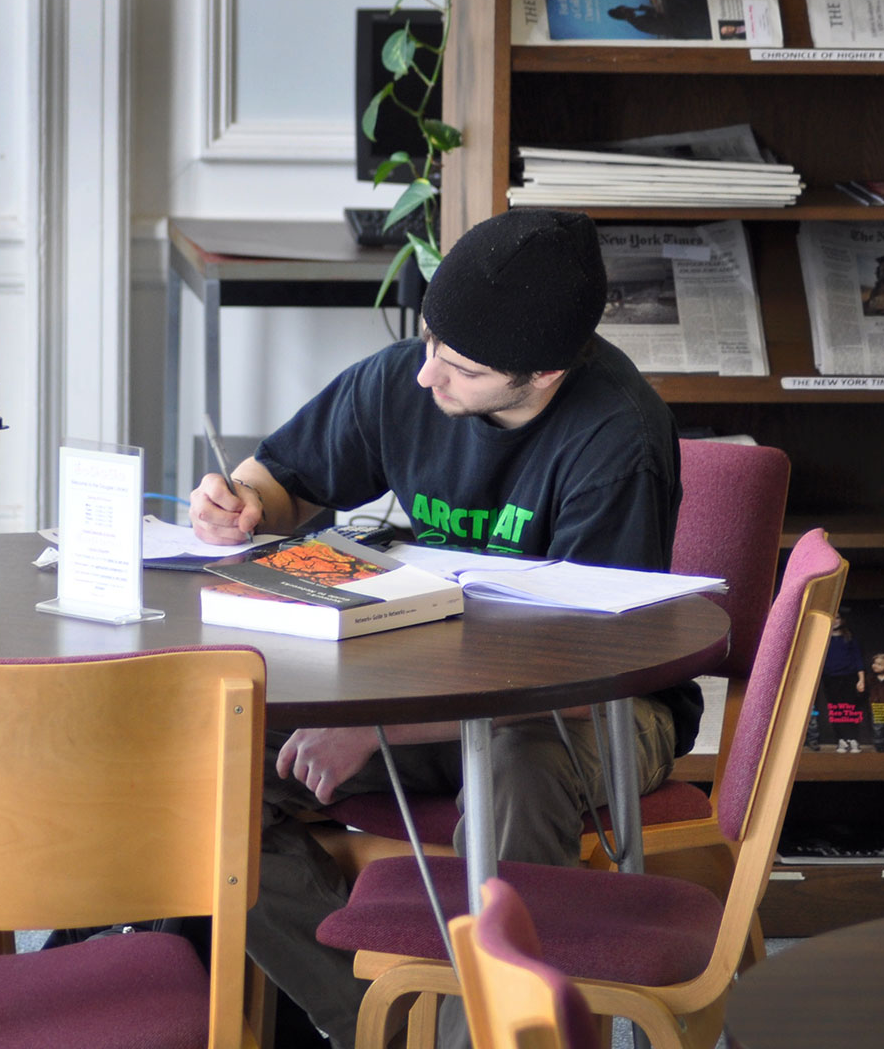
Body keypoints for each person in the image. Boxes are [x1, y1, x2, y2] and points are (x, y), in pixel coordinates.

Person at [189, 208, 695, 1048]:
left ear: (545, 373)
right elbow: (284, 478)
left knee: (516, 764)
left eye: (457, 367)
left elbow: (578, 682)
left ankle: (492, 1038)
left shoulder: (618, 442)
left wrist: (374, 728)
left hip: (594, 710)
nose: (427, 378)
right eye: (427, 343)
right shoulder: (403, 381)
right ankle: (394, 1030)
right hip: (422, 690)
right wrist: (240, 503)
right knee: (213, 769)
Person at [821, 613, 868, 751]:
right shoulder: (823, 638)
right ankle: (841, 740)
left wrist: (861, 680)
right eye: (832, 617)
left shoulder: (849, 638)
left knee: (850, 708)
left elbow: (858, 658)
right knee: (836, 709)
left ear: (842, 620)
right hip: (830, 678)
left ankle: (853, 739)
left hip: (849, 677)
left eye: (837, 618)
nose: (835, 621)